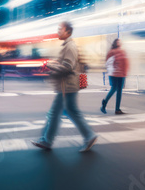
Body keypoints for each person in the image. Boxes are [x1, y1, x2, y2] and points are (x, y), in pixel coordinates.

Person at [32, 21, 98, 152]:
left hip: (67, 86)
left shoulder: (70, 46)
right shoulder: (68, 45)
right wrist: (52, 66)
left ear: (67, 31)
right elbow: (65, 65)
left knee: (62, 113)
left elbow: (67, 67)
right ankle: (47, 141)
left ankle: (88, 136)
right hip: (66, 86)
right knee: (58, 113)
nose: (58, 31)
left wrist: (50, 65)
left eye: (60, 29)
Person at [100, 38, 129, 115]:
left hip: (121, 74)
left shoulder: (122, 52)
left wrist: (125, 72)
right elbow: (108, 63)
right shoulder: (112, 52)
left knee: (119, 91)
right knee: (114, 88)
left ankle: (117, 109)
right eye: (118, 41)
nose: (119, 43)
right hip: (114, 73)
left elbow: (126, 63)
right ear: (115, 43)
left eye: (120, 41)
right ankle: (105, 102)